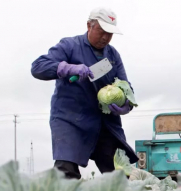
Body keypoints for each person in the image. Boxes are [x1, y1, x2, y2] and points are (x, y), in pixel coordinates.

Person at [31, 7, 138, 179]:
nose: (105, 38)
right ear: (89, 25)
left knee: (119, 175)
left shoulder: (112, 56)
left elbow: (127, 87)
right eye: (102, 31)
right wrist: (67, 68)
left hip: (105, 122)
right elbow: (38, 67)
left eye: (109, 34)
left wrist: (126, 104)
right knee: (66, 171)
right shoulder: (69, 46)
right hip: (70, 119)